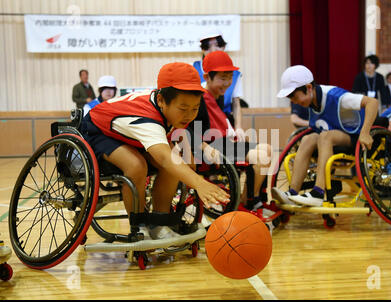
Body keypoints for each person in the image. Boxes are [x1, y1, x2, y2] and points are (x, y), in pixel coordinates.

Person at [80, 62, 229, 240]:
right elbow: (166, 158)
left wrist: (201, 149)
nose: (189, 115)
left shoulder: (170, 106)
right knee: (136, 165)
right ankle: (139, 225)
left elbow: (181, 138)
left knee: (178, 164)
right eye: (183, 109)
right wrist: (199, 183)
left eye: (195, 109)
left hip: (129, 133)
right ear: (161, 101)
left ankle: (160, 222)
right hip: (98, 130)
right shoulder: (147, 119)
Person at [271, 65, 379, 207]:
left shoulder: (336, 97)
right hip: (332, 138)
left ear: (309, 87)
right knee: (307, 138)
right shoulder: (311, 103)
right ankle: (292, 192)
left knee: (325, 136)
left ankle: (318, 193)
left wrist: (365, 133)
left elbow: (372, 102)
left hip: (355, 138)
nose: (293, 101)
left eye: (294, 96)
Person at [187, 51, 272, 212]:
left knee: (266, 149)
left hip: (224, 143)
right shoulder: (198, 99)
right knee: (260, 156)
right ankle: (250, 202)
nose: (227, 83)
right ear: (207, 77)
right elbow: (189, 130)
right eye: (222, 78)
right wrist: (205, 147)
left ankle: (249, 199)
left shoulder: (217, 96)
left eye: (229, 77)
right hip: (209, 149)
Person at [192, 29, 246, 141]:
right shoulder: (193, 69)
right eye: (208, 47)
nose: (213, 50)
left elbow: (236, 103)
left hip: (224, 120)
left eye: (218, 45)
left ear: (224, 46)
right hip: (201, 122)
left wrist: (238, 127)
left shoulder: (235, 74)